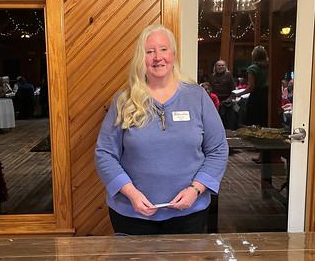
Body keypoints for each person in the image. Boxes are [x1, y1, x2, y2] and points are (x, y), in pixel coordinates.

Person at [95, 24, 228, 235]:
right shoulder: (123, 101)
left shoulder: (198, 97)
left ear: (173, 54)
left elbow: (218, 149)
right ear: (142, 58)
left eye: (164, 49)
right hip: (132, 214)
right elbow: (105, 154)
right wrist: (131, 193)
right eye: (150, 52)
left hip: (189, 213)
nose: (158, 57)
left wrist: (196, 189)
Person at [232, 45, 269, 127]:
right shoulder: (269, 67)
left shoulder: (252, 68)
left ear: (254, 56)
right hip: (267, 95)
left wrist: (238, 94)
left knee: (253, 120)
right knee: (264, 119)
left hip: (257, 96)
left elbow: (251, 88)